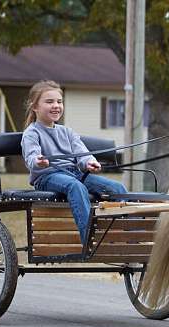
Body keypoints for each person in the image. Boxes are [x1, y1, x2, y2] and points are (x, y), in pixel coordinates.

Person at [21, 80, 127, 246]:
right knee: (75, 186)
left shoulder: (67, 132)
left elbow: (83, 154)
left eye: (59, 101)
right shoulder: (32, 133)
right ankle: (90, 239)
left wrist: (90, 163)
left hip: (74, 173)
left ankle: (129, 235)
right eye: (49, 102)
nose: (56, 105)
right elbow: (31, 157)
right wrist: (38, 161)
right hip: (47, 176)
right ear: (35, 107)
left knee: (118, 188)